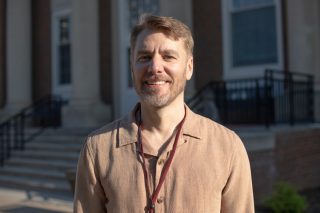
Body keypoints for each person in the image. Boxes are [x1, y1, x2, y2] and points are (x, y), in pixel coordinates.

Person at [74, 14, 254, 213]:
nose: (155, 67)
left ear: (189, 67)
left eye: (168, 56)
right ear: (132, 69)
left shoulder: (227, 148)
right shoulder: (98, 149)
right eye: (144, 58)